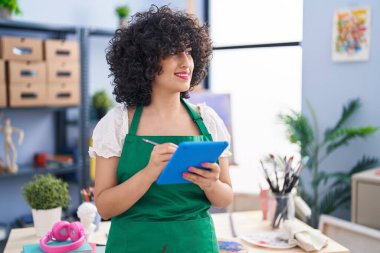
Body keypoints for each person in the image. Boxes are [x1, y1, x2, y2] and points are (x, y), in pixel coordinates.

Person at [90, 5, 233, 253]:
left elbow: (226, 198)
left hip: (196, 244)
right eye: (172, 52)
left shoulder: (208, 120)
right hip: (133, 245)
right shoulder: (117, 123)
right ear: (144, 61)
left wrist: (211, 184)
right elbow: (104, 207)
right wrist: (149, 172)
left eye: (188, 52)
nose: (185, 62)